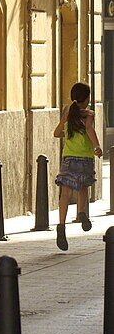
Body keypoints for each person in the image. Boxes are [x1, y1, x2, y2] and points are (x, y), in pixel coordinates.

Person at [53, 81, 102, 251]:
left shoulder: (68, 112)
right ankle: (81, 212)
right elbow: (89, 130)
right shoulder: (88, 114)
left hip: (68, 158)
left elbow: (56, 133)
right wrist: (97, 146)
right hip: (85, 158)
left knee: (65, 193)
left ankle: (61, 225)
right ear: (87, 98)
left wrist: (66, 130)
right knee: (83, 188)